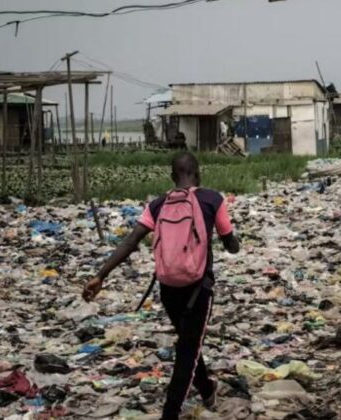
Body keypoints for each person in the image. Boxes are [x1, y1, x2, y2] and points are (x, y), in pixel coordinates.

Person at [82, 152, 240, 419]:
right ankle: (171, 412)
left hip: (168, 287)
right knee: (188, 349)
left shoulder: (157, 205)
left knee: (190, 341)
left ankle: (206, 387)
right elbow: (230, 243)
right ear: (198, 174)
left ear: (172, 176)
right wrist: (233, 243)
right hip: (198, 289)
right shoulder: (213, 199)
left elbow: (131, 241)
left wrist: (101, 275)